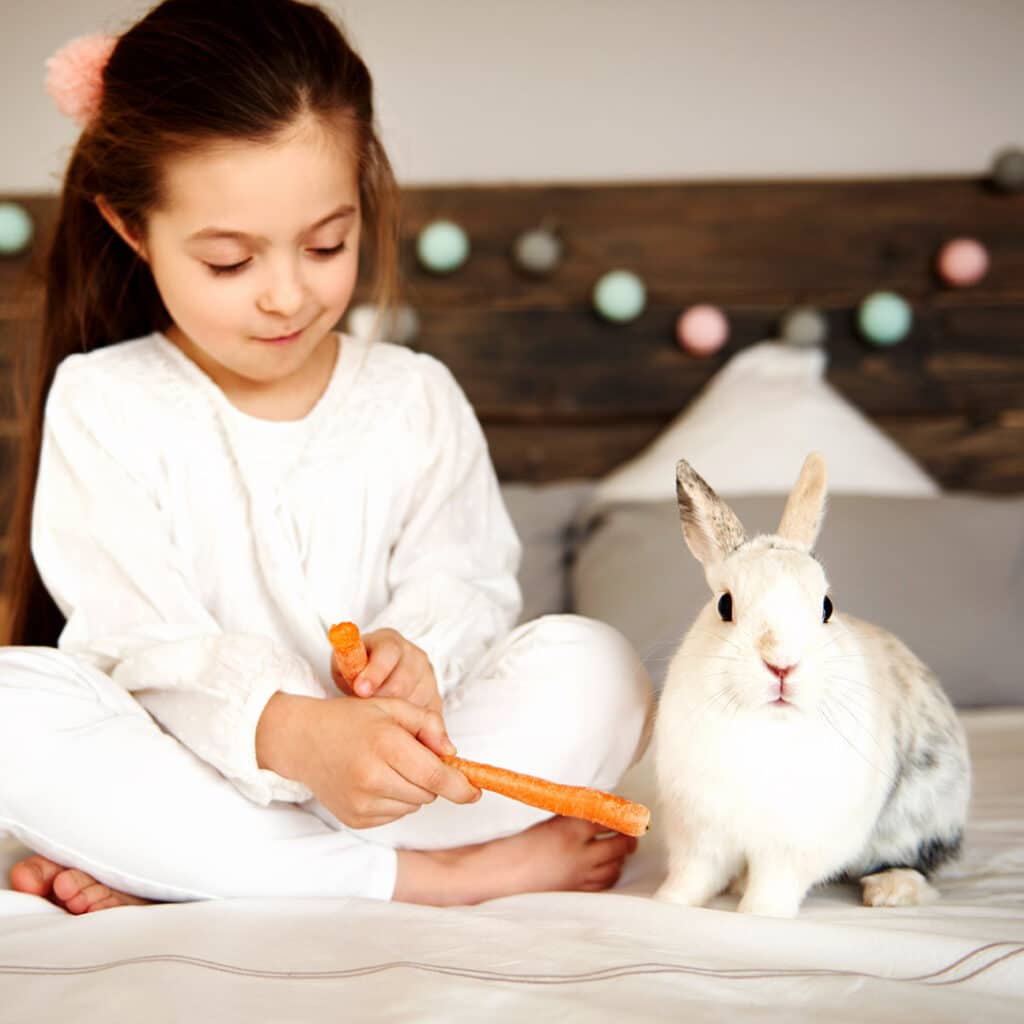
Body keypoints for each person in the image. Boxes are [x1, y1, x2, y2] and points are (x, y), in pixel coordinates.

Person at [1, 0, 651, 913]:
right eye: (229, 261)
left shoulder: (413, 396)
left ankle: (206, 871)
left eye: (326, 244)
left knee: (599, 667)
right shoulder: (104, 401)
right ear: (131, 228)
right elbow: (136, 641)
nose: (287, 296)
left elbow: (465, 580)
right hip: (206, 770)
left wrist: (414, 656)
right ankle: (424, 880)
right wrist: (294, 734)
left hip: (407, 784)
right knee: (7, 708)